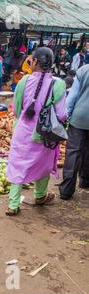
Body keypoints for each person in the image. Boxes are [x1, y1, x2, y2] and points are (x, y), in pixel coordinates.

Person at [6, 47, 67, 216]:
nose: (29, 63)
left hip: (22, 132)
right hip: (45, 134)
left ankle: (13, 204)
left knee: (18, 165)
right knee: (43, 164)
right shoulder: (59, 84)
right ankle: (40, 196)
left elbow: (17, 111)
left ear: (36, 62)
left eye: (31, 60)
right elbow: (61, 114)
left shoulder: (24, 81)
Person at [59, 64, 89, 200]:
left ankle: (66, 190)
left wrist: (65, 116)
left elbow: (72, 96)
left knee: (73, 152)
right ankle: (85, 181)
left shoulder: (84, 70)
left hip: (79, 118)